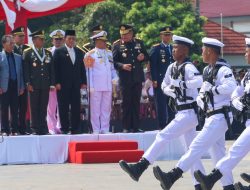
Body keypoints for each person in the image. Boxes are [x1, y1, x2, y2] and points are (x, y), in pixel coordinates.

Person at [119, 35, 206, 190]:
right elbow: (165, 84)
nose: (173, 50)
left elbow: (199, 81)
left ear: (185, 50)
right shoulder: (172, 67)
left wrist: (181, 84)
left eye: (176, 47)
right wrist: (171, 90)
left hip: (189, 112)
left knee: (163, 135)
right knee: (191, 151)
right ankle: (200, 185)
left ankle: (140, 166)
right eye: (172, 47)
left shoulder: (188, 67)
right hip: (181, 112)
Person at [151, 37, 237, 190]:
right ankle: (228, 186)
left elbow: (231, 86)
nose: (201, 53)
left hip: (220, 116)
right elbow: (203, 92)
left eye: (203, 50)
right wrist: (201, 100)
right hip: (211, 115)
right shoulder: (207, 69)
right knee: (218, 154)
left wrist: (213, 90)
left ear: (210, 51)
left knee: (196, 146)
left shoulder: (223, 69)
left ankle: (172, 175)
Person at [193, 38, 250, 190]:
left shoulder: (224, 70)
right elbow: (236, 91)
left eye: (247, 51)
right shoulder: (248, 75)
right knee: (232, 151)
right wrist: (237, 100)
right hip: (247, 121)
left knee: (235, 151)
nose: (245, 54)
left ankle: (211, 178)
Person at [113, 24, 149, 133]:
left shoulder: (139, 43)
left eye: (126, 34)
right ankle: (126, 127)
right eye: (122, 34)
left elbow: (147, 56)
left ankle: (136, 126)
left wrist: (143, 57)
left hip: (137, 77)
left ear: (131, 33)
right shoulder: (117, 45)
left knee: (136, 103)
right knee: (126, 103)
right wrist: (122, 66)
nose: (123, 36)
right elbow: (114, 62)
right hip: (125, 79)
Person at [84, 30, 118, 134]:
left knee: (106, 108)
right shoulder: (90, 54)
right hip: (96, 85)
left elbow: (112, 68)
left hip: (107, 85)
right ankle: (96, 129)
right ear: (97, 41)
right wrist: (91, 86)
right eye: (102, 41)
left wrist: (115, 77)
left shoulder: (109, 53)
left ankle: (105, 128)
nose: (105, 43)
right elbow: (88, 72)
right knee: (95, 109)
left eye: (105, 41)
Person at [54, 30, 87, 134]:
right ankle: (64, 128)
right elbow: (55, 69)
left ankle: (75, 128)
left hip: (76, 84)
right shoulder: (59, 51)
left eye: (73, 38)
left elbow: (82, 68)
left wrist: (84, 81)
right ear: (65, 39)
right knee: (63, 106)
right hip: (63, 84)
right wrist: (56, 82)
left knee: (76, 106)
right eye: (69, 38)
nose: (71, 40)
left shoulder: (79, 51)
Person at [23, 30, 55, 135]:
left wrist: (51, 83)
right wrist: (28, 83)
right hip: (34, 84)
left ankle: (43, 128)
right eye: (40, 39)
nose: (42, 41)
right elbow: (26, 70)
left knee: (43, 106)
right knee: (34, 106)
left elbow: (51, 69)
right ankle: (34, 128)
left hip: (45, 84)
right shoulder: (28, 53)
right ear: (34, 40)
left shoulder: (48, 53)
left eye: (43, 39)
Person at [149, 26, 175, 129]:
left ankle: (171, 125)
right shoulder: (156, 48)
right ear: (161, 36)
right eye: (166, 35)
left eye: (169, 35)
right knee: (161, 104)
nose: (168, 37)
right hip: (160, 80)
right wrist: (154, 79)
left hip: (172, 81)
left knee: (171, 104)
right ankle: (162, 126)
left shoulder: (173, 48)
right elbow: (153, 65)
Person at [0, 35, 24, 136]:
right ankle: (5, 129)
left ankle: (15, 129)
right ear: (4, 44)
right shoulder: (0, 56)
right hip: (4, 86)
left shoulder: (18, 57)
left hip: (15, 85)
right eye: (10, 43)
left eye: (13, 43)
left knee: (15, 108)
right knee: (4, 108)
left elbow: (21, 73)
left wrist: (22, 86)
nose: (12, 45)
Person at [11, 26, 30, 135]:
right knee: (13, 107)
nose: (23, 38)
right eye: (20, 36)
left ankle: (22, 128)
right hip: (13, 83)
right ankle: (13, 128)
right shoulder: (10, 49)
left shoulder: (27, 49)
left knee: (23, 107)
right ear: (13, 37)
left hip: (25, 82)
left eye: (23, 36)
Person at [47, 29, 65, 134]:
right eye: (56, 39)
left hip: (63, 83)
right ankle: (51, 127)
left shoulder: (66, 51)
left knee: (62, 105)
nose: (58, 41)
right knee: (51, 106)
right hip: (51, 83)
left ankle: (60, 126)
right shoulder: (48, 52)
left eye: (60, 39)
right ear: (52, 41)